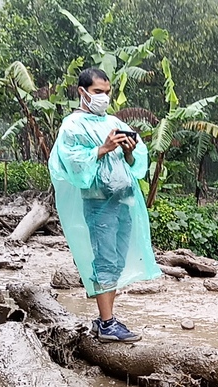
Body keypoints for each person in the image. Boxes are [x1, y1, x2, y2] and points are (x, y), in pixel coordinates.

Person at [48, 67, 161, 343]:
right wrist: (102, 148)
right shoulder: (72, 126)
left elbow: (136, 165)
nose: (104, 98)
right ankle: (107, 324)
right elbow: (72, 165)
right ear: (82, 92)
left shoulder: (113, 121)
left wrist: (129, 152)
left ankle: (104, 320)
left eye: (107, 93)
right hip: (99, 204)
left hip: (122, 201)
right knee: (105, 260)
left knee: (117, 261)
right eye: (98, 92)